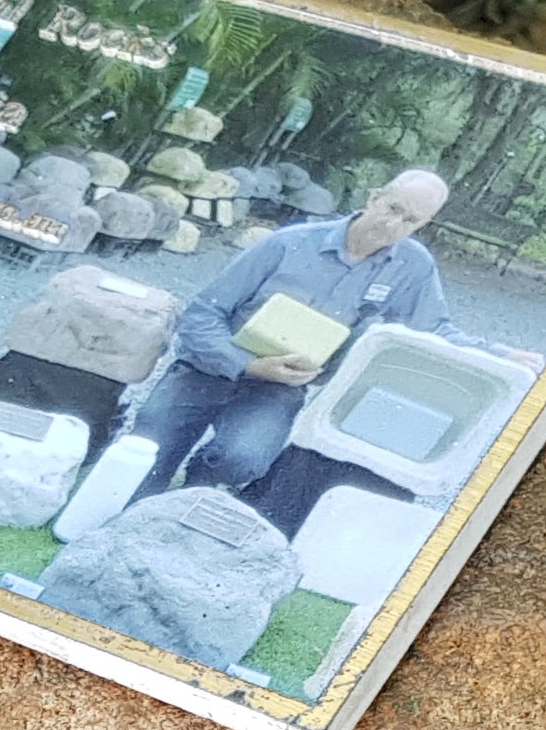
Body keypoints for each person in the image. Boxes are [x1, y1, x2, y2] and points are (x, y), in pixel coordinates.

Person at [124, 169, 465, 497]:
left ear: (423, 224)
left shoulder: (413, 266)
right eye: (393, 209)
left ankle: (198, 485)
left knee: (243, 459)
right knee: (141, 463)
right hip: (205, 367)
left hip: (276, 389)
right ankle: (149, 479)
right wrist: (245, 363)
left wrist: (506, 355)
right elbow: (201, 313)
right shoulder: (289, 244)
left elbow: (433, 329)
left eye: (411, 221)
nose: (393, 224)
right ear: (374, 198)